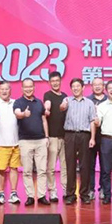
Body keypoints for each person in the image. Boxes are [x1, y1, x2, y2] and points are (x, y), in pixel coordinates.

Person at [14, 78, 50, 206]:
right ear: (22, 88)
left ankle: (41, 196)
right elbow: (17, 114)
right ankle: (30, 196)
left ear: (34, 87)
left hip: (41, 140)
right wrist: (24, 114)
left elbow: (44, 120)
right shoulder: (18, 102)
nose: (28, 89)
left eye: (30, 87)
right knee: (27, 171)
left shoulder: (39, 102)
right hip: (25, 141)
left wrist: (47, 137)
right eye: (26, 87)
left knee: (42, 170)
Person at [63, 78, 97, 205]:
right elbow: (61, 108)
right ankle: (70, 194)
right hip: (70, 135)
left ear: (83, 88)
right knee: (70, 165)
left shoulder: (89, 103)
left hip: (84, 135)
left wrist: (92, 138)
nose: (76, 88)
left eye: (78, 86)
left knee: (85, 165)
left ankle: (84, 193)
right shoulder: (67, 100)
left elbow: (92, 121)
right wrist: (63, 106)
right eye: (73, 86)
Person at [0, 81, 20, 205]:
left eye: (6, 89)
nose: (4, 91)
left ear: (10, 90)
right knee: (0, 170)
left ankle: (13, 193)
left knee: (14, 168)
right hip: (0, 143)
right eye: (2, 89)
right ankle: (1, 193)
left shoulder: (16, 103)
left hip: (16, 143)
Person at [43, 71, 68, 202]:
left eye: (57, 81)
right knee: (51, 167)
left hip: (65, 137)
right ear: (49, 83)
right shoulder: (48, 95)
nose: (55, 83)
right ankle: (52, 191)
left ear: (60, 81)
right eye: (53, 81)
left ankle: (66, 190)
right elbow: (47, 104)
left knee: (65, 167)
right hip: (52, 137)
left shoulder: (65, 96)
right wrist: (47, 109)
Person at [87, 78, 107, 200]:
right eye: (95, 85)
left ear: (104, 86)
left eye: (100, 84)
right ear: (91, 86)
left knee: (105, 164)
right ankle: (90, 189)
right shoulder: (87, 100)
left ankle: (103, 188)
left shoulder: (108, 100)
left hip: (105, 136)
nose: (98, 87)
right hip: (90, 137)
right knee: (90, 164)